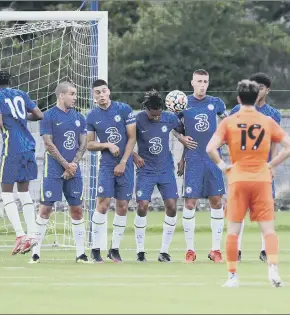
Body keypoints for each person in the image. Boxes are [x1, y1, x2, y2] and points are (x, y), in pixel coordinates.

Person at [206, 79, 290, 288]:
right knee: (268, 230)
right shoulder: (267, 120)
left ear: (238, 99)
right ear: (256, 98)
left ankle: (232, 277)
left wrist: (223, 166)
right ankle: (273, 270)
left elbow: (211, 147)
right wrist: (271, 165)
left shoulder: (229, 121)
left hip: (238, 179)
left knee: (233, 231)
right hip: (261, 180)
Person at [0, 70, 44, 255]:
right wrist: (22, 118)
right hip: (29, 147)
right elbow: (39, 115)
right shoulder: (21, 94)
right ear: (10, 81)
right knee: (24, 192)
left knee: (6, 193)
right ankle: (32, 235)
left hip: (12, 148)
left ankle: (20, 235)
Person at [30, 81, 89, 263]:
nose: (75, 97)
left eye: (75, 93)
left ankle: (81, 254)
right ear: (61, 95)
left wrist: (74, 164)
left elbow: (84, 144)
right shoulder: (48, 116)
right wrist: (66, 165)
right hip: (54, 170)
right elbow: (48, 144)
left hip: (73, 170)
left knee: (77, 209)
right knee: (46, 209)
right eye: (71, 93)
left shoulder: (79, 117)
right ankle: (35, 252)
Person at [175, 69, 228, 263]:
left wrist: (223, 139)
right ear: (192, 83)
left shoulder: (216, 103)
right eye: (199, 81)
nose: (203, 84)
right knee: (190, 203)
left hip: (212, 159)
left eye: (205, 81)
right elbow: (174, 127)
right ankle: (190, 250)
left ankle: (216, 250)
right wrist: (181, 139)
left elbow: (227, 123)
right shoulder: (183, 103)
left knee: (217, 201)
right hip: (194, 159)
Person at [229, 72, 281, 262]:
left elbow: (276, 142)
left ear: (267, 90)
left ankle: (265, 250)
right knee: (238, 209)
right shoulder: (236, 110)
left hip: (263, 168)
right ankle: (237, 250)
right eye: (255, 87)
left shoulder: (273, 114)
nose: (258, 91)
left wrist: (273, 164)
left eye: (261, 87)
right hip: (242, 167)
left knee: (266, 208)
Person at [85, 79, 137, 263]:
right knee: (103, 203)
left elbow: (132, 138)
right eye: (97, 93)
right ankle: (95, 248)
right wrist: (107, 144)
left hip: (125, 165)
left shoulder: (123, 109)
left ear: (109, 92)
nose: (101, 95)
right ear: (93, 96)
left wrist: (123, 161)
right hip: (106, 165)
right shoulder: (91, 116)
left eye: (103, 91)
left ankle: (114, 249)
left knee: (122, 206)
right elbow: (89, 144)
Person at [132, 90, 186, 263]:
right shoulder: (138, 119)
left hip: (165, 170)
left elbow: (182, 134)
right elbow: (126, 139)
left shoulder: (169, 118)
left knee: (171, 206)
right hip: (145, 170)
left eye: (158, 115)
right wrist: (135, 155)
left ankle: (164, 251)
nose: (156, 118)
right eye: (153, 115)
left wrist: (182, 159)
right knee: (142, 206)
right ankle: (140, 251)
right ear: (146, 109)